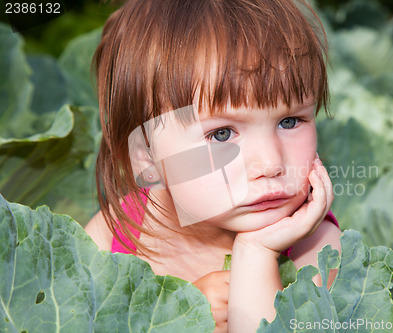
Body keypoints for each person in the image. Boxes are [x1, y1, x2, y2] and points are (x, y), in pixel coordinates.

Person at [84, 0, 341, 332]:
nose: (271, 163)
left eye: (290, 121)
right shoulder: (113, 236)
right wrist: (174, 319)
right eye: (221, 133)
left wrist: (257, 253)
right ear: (146, 153)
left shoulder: (316, 245)